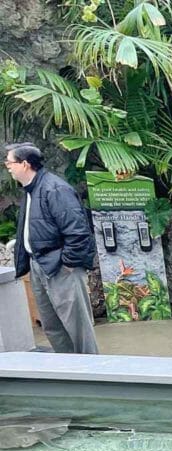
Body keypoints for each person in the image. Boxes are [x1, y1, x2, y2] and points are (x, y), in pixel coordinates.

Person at [6, 143, 98, 355]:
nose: (7, 166)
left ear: (25, 164)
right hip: (39, 265)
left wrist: (67, 264)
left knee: (77, 328)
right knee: (53, 326)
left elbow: (78, 232)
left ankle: (91, 374)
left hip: (61, 268)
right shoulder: (30, 190)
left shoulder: (54, 189)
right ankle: (67, 371)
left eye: (9, 162)